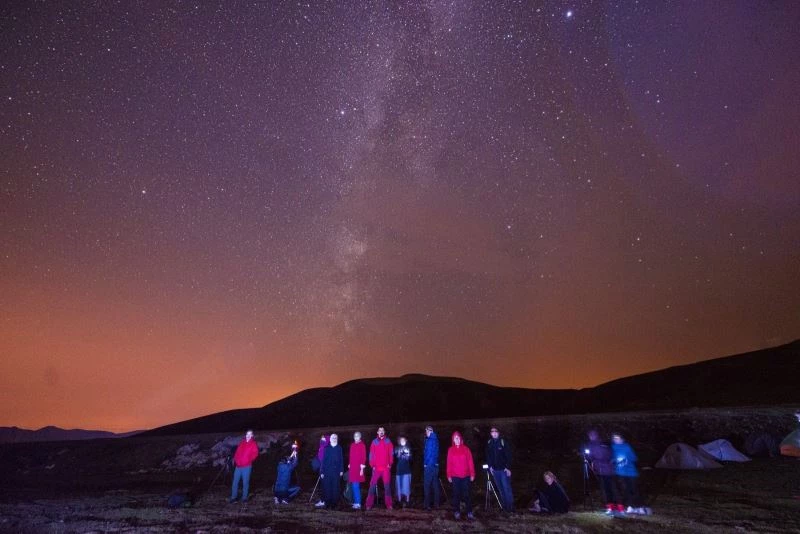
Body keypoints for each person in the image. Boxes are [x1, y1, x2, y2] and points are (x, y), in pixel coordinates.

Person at [612, 433, 645, 514]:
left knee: (634, 489)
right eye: (614, 438)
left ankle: (639, 507)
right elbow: (611, 458)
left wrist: (627, 460)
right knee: (625, 490)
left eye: (617, 438)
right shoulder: (613, 448)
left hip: (631, 473)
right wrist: (613, 461)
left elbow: (634, 458)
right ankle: (630, 506)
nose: (616, 440)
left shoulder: (627, 447)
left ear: (622, 439)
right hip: (620, 473)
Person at [586, 430, 617, 514]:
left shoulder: (602, 443)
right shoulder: (591, 445)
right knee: (606, 489)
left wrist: (597, 460)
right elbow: (590, 457)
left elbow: (606, 455)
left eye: (592, 435)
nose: (591, 437)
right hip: (600, 471)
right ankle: (610, 507)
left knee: (611, 489)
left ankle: (616, 506)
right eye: (590, 435)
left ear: (596, 435)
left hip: (608, 470)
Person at [446, 431, 475, 520]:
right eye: (455, 438)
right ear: (453, 440)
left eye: (458, 437)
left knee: (467, 494)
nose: (457, 439)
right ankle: (456, 511)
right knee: (456, 494)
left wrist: (472, 473)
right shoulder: (450, 450)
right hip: (455, 476)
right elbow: (449, 463)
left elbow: (470, 462)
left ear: (461, 439)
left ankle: (469, 511)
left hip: (466, 476)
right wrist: (449, 475)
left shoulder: (466, 449)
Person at [486, 426, 514, 512]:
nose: (494, 433)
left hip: (503, 470)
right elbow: (488, 456)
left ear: (498, 432)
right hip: (495, 471)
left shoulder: (503, 442)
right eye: (492, 431)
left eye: (495, 431)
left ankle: (511, 508)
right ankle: (505, 507)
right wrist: (490, 467)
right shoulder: (489, 442)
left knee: (507, 489)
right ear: (491, 433)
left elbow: (509, 455)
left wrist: (508, 468)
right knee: (501, 490)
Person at [366, 426, 394, 510]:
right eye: (379, 430)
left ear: (384, 432)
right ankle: (368, 504)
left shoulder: (388, 441)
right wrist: (372, 465)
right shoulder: (374, 442)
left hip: (386, 468)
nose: (381, 432)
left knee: (387, 486)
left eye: (382, 430)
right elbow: (371, 454)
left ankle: (389, 504)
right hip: (376, 468)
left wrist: (390, 463)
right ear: (377, 432)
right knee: (372, 486)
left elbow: (391, 453)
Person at [230, 430, 259, 503]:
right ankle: (233, 497)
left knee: (245, 482)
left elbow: (255, 454)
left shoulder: (253, 444)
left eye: (250, 434)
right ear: (245, 435)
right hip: (238, 466)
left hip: (246, 466)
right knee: (235, 482)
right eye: (247, 434)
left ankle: (244, 498)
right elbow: (237, 453)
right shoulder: (242, 443)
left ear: (252, 435)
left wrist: (248, 460)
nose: (248, 435)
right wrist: (236, 460)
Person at [316, 433, 344, 509]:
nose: (334, 438)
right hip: (327, 471)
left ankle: (334, 503)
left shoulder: (339, 448)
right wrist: (322, 472)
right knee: (327, 487)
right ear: (330, 439)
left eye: (335, 437)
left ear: (337, 439)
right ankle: (327, 502)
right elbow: (324, 461)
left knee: (335, 487)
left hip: (336, 471)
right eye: (333, 437)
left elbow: (341, 460)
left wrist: (341, 470)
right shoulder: (326, 448)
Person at [422, 425, 440, 510]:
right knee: (435, 484)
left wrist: (425, 464)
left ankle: (427, 504)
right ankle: (436, 503)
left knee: (427, 484)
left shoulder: (429, 441)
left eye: (426, 431)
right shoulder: (436, 439)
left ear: (430, 431)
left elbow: (428, 454)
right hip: (435, 465)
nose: (426, 432)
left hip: (429, 465)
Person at [348, 431, 367, 509]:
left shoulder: (362, 445)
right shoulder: (352, 445)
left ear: (360, 437)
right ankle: (355, 502)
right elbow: (351, 456)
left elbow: (364, 457)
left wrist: (362, 468)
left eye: (357, 436)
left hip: (358, 468)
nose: (356, 437)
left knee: (356, 485)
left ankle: (358, 503)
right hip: (352, 467)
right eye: (355, 436)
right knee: (353, 485)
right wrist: (349, 464)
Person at [394, 436, 412, 507]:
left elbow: (410, 458)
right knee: (399, 484)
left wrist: (408, 455)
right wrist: (399, 454)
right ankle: (399, 499)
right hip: (399, 469)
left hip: (407, 469)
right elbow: (396, 455)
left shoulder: (408, 448)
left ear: (406, 440)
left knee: (407, 484)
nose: (402, 441)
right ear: (399, 441)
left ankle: (407, 500)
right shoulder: (397, 448)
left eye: (403, 440)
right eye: (401, 440)